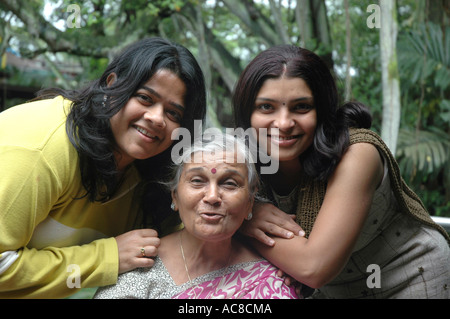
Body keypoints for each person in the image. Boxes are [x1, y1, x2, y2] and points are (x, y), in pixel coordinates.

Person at [232, 44, 450, 299]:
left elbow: (313, 267)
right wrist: (243, 213)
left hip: (408, 276)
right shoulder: (242, 160)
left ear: (322, 110)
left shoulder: (358, 153)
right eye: (267, 107)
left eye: (301, 107)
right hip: (332, 290)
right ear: (248, 113)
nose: (283, 123)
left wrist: (239, 219)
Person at [0, 37, 206, 298]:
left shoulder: (149, 174)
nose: (156, 118)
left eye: (173, 113)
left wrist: (246, 218)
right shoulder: (43, 146)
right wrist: (107, 257)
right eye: (144, 98)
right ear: (112, 86)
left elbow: (188, 240)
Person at [94, 133, 300, 299]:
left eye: (229, 183)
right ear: (175, 195)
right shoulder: (139, 265)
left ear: (250, 202)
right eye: (197, 181)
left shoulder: (272, 278)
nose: (212, 197)